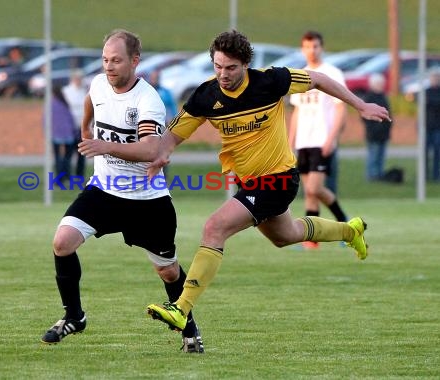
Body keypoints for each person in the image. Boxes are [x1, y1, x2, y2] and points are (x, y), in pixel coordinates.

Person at [145, 30, 390, 342]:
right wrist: (160, 154)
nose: (223, 74)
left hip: (278, 179)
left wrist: (360, 105)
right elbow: (172, 137)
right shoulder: (205, 96)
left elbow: (318, 79)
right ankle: (350, 231)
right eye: (218, 66)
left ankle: (182, 307)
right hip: (251, 184)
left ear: (246, 64)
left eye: (231, 67)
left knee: (214, 228)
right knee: (286, 236)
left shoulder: (270, 81)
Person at [41, 29, 204, 353]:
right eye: (104, 59)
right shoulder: (99, 84)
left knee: (168, 271)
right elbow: (91, 99)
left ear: (134, 61)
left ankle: (191, 332)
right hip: (104, 190)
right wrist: (86, 127)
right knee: (62, 242)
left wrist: (103, 144)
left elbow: (149, 150)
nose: (108, 66)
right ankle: (74, 316)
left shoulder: (148, 100)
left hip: (147, 201)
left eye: (116, 60)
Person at [288, 30, 349, 249]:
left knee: (315, 188)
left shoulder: (332, 73)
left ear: (322, 48)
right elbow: (296, 111)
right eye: (307, 46)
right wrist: (291, 142)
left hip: (322, 139)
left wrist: (332, 138)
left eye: (315, 46)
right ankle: (311, 240)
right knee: (309, 193)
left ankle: (346, 224)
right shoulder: (300, 74)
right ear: (302, 49)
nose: (311, 50)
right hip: (303, 141)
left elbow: (341, 109)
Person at [362, 73, 393, 181]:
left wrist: (388, 125)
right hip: (373, 133)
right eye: (379, 84)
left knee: (381, 156)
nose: (381, 86)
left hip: (383, 133)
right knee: (373, 155)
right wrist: (375, 128)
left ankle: (379, 175)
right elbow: (365, 116)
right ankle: (371, 175)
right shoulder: (369, 97)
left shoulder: (383, 97)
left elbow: (388, 113)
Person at [148, 69, 178, 179]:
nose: (154, 79)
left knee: (162, 151)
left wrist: (173, 121)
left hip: (162, 126)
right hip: (148, 126)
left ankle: (163, 178)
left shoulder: (165, 92)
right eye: (152, 77)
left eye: (156, 77)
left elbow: (173, 108)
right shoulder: (146, 91)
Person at [62, 69, 88, 177]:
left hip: (81, 127)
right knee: (68, 153)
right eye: (77, 78)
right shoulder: (66, 91)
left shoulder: (85, 91)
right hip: (69, 127)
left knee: (81, 153)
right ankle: (65, 175)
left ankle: (79, 175)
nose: (79, 80)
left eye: (80, 78)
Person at [49, 86, 76, 180]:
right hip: (68, 133)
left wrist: (47, 132)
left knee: (57, 157)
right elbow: (71, 118)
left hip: (55, 134)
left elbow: (46, 120)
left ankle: (59, 177)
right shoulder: (65, 103)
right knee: (67, 157)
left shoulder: (51, 104)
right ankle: (67, 176)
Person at [425, 70, 440, 182]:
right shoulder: (426, 92)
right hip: (426, 127)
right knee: (425, 153)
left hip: (437, 127)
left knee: (437, 153)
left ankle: (436, 175)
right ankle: (425, 176)